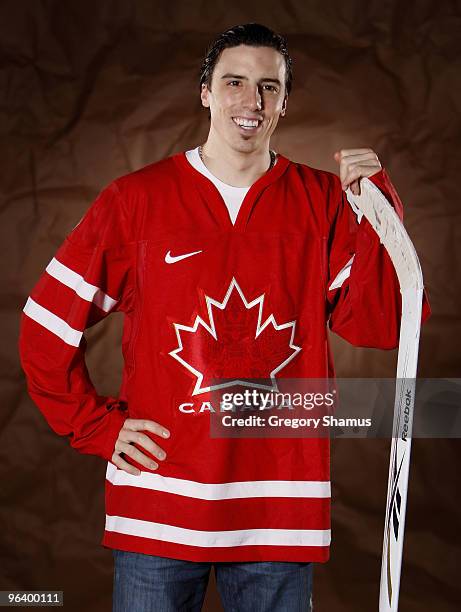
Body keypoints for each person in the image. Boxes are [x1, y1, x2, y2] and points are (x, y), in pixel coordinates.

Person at [18, 22, 431, 612]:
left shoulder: (326, 204)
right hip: (159, 504)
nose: (251, 100)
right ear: (206, 91)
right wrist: (97, 426)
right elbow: (45, 323)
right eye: (234, 82)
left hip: (276, 508)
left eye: (269, 86)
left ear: (284, 102)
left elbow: (385, 326)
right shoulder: (136, 201)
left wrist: (380, 209)